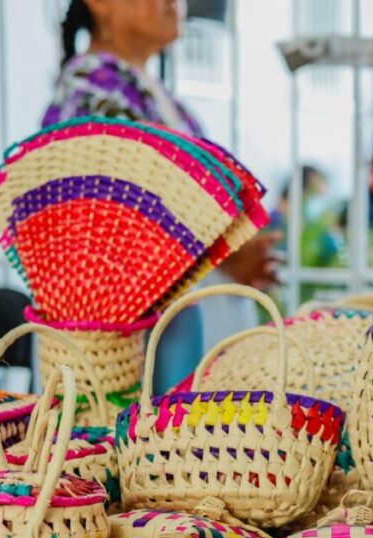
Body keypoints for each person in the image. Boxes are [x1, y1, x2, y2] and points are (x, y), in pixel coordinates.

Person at [44, 0, 280, 390]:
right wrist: (227, 253)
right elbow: (116, 223)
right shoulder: (91, 86)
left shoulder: (148, 91)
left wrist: (236, 250)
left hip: (184, 323)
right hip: (140, 345)